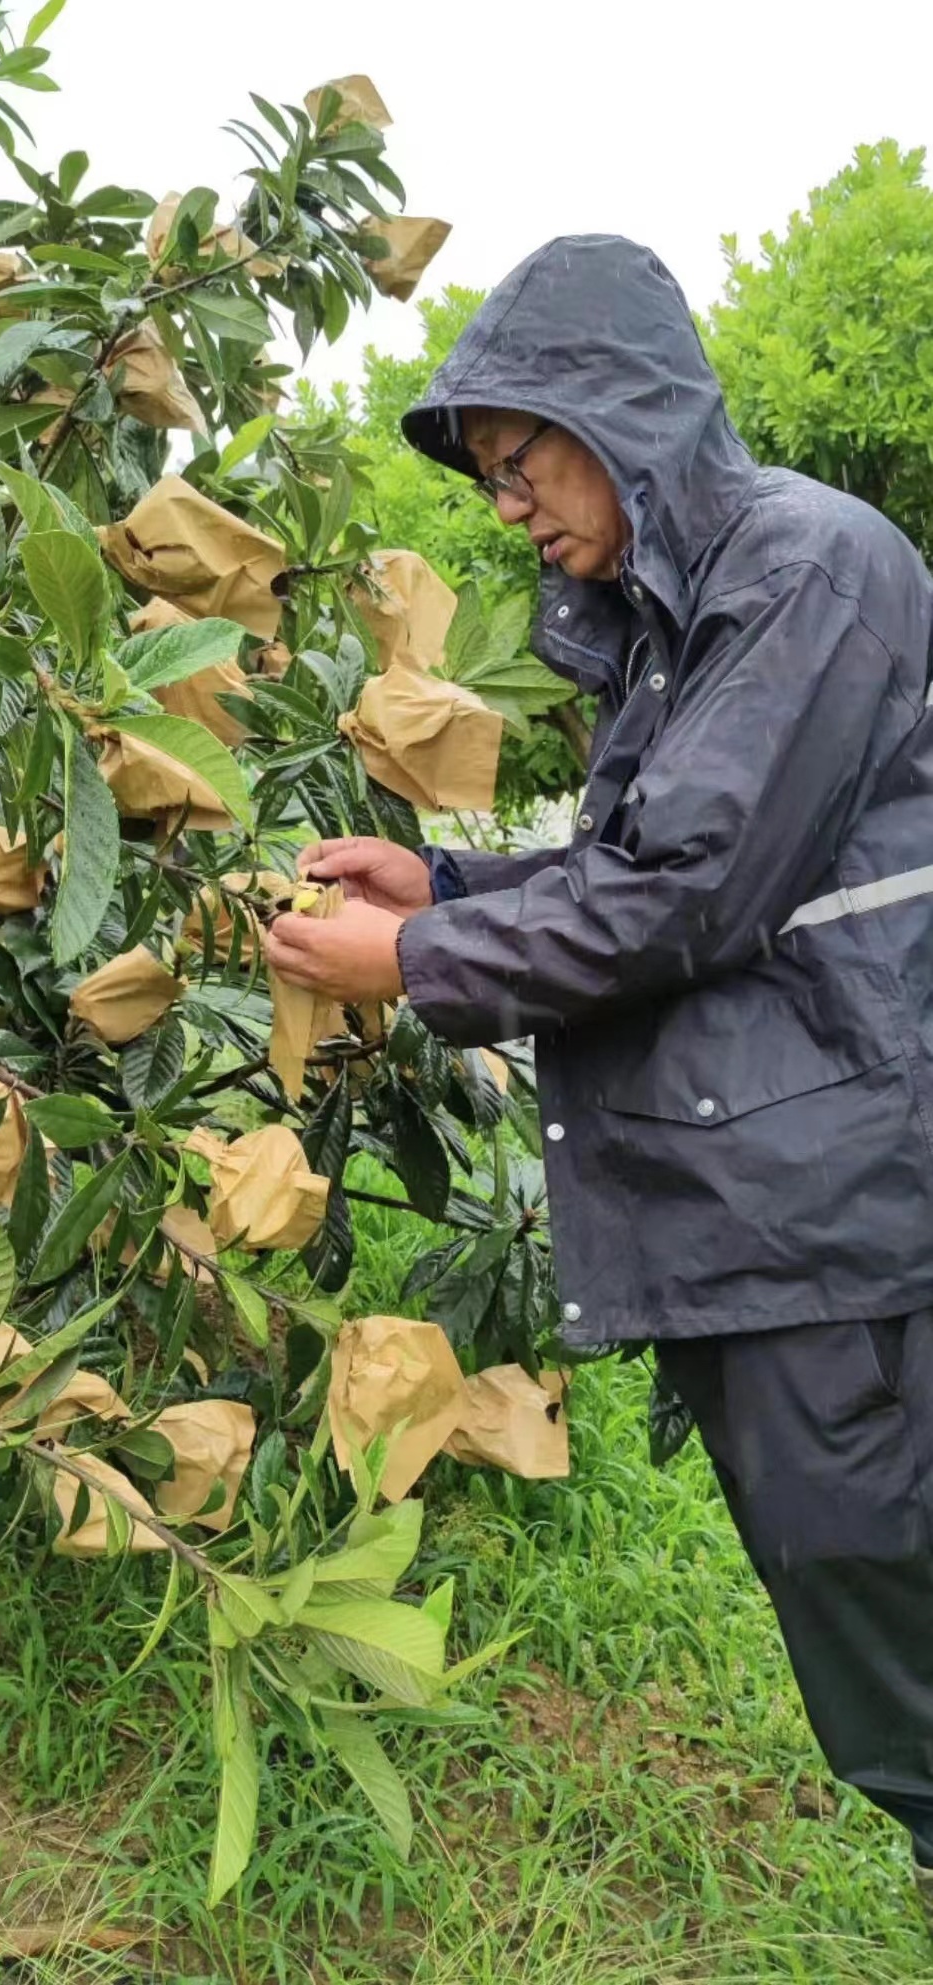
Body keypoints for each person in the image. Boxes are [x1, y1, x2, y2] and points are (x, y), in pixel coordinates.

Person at [264, 233, 933, 1916]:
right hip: (782, 1198)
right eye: (490, 478)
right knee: (852, 1588)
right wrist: (451, 890)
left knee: (881, 1585)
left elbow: (684, 897)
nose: (507, 508)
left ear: (620, 412)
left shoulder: (810, 569)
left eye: (521, 459)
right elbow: (644, 860)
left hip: (843, 1204)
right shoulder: (681, 618)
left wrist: (411, 964)